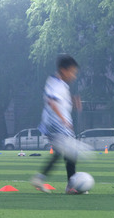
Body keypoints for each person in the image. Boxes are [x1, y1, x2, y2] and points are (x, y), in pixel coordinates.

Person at [30, 54, 83, 194]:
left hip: (55, 123)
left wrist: (72, 100)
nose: (74, 76)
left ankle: (40, 178)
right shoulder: (56, 83)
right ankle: (71, 186)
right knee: (71, 152)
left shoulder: (59, 84)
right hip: (56, 123)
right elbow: (52, 102)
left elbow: (59, 101)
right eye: (72, 72)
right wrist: (63, 119)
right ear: (64, 70)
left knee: (64, 152)